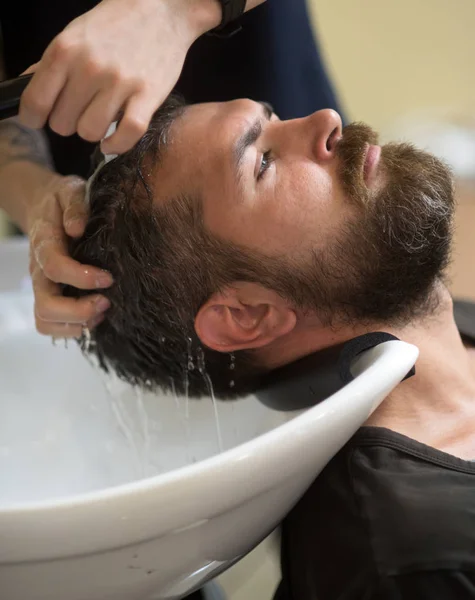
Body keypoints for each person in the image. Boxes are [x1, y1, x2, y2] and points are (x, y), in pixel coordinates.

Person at [60, 95, 475, 598]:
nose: (327, 121)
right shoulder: (411, 556)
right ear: (248, 315)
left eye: (274, 119)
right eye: (262, 161)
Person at [0, 0, 343, 343]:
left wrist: (174, 10)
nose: (329, 120)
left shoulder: (317, 145)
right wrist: (32, 191)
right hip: (101, 225)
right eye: (262, 162)